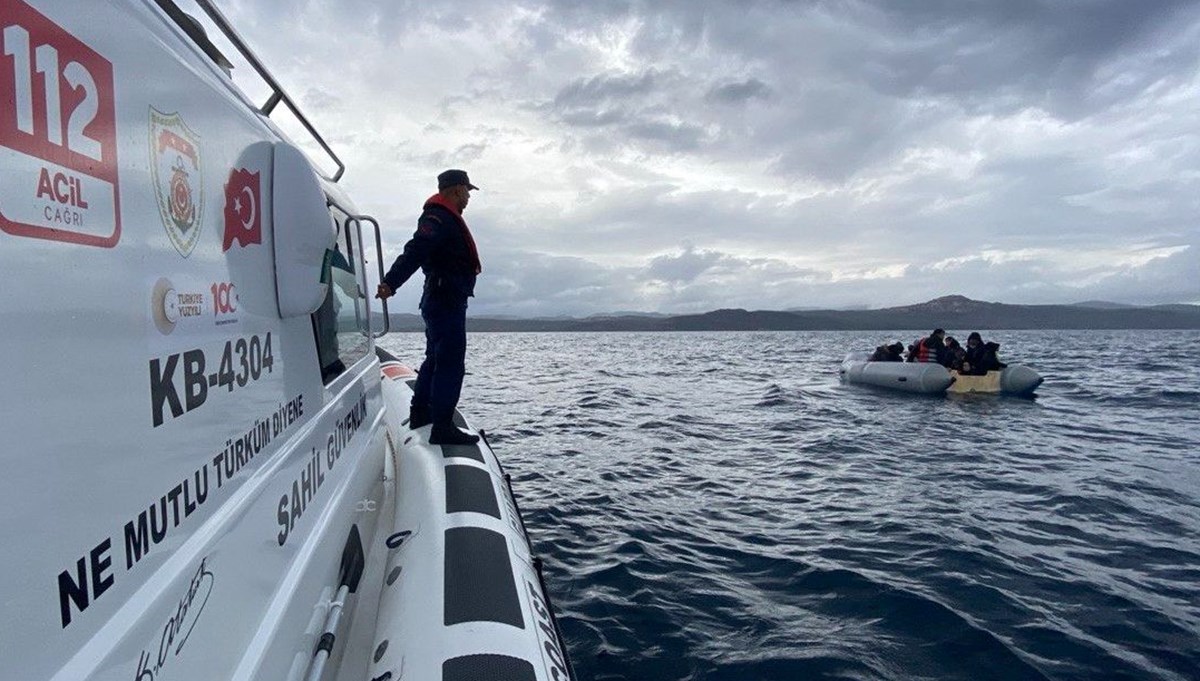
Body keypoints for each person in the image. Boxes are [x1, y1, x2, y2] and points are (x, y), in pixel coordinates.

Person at [376, 169, 482, 445]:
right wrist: (391, 282)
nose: (469, 197)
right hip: (444, 300)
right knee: (449, 363)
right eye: (467, 191)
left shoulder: (444, 216)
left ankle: (421, 413)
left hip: (442, 299)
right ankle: (442, 427)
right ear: (456, 190)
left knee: (435, 359)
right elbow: (416, 250)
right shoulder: (438, 217)